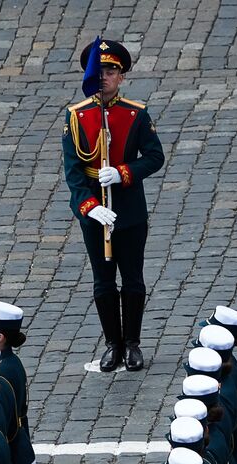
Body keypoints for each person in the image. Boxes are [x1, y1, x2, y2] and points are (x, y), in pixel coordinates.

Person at [64, 38, 166, 372]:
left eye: (111, 71)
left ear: (121, 77)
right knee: (103, 280)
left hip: (129, 209)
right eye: (100, 71)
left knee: (133, 279)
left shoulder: (135, 114)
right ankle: (113, 343)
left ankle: (133, 343)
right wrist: (90, 206)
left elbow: (154, 157)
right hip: (97, 213)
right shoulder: (78, 117)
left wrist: (122, 172)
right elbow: (74, 173)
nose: (105, 77)